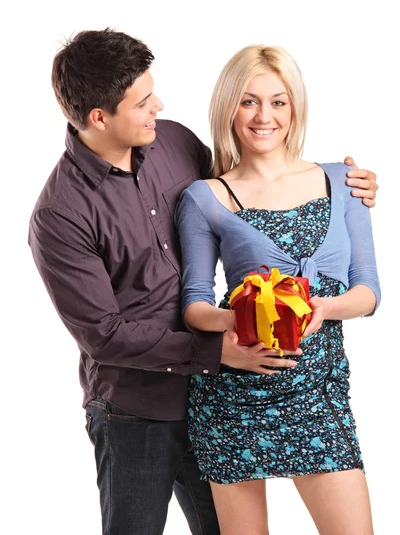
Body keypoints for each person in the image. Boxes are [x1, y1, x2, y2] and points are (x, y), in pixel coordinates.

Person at [28, 29, 378, 535]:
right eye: (144, 101)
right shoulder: (61, 214)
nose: (159, 106)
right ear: (100, 117)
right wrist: (221, 350)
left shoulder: (171, 141)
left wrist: (352, 191)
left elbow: (245, 197)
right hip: (138, 403)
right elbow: (102, 333)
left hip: (222, 386)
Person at [175, 45, 380, 535]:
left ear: (295, 109)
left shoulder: (342, 181)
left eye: (278, 102)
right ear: (229, 108)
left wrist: (321, 309)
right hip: (234, 392)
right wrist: (241, 319)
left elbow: (368, 292)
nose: (263, 116)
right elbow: (195, 305)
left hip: (320, 395)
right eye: (248, 101)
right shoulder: (205, 196)